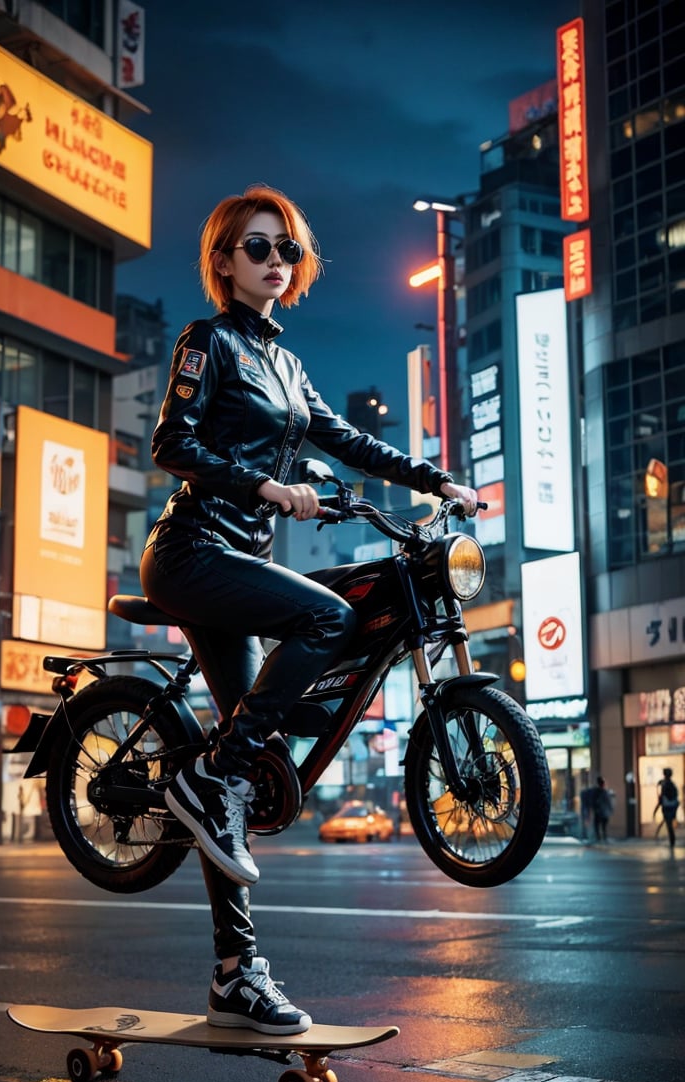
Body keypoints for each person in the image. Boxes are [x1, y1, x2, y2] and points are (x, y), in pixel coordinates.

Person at [140, 185, 478, 1035]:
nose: (276, 262)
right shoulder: (206, 342)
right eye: (258, 248)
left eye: (286, 250)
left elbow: (346, 439)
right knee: (325, 618)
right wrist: (268, 488)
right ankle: (212, 775)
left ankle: (235, 974)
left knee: (238, 790)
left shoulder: (287, 366)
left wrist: (436, 478)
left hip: (237, 566)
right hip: (190, 554)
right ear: (223, 261)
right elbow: (170, 446)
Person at [653, 767, 679, 849]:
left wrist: (656, 809)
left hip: (667, 807)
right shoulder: (672, 784)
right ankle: (671, 840)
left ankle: (671, 841)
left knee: (668, 824)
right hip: (672, 807)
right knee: (668, 823)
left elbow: (662, 797)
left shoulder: (665, 785)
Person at [591, 776, 614, 842]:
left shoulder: (595, 791)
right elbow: (608, 801)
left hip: (598, 811)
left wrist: (594, 809)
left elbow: (593, 801)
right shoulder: (604, 792)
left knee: (597, 825)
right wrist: (610, 809)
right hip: (603, 811)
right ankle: (603, 837)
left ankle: (599, 837)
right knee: (603, 825)